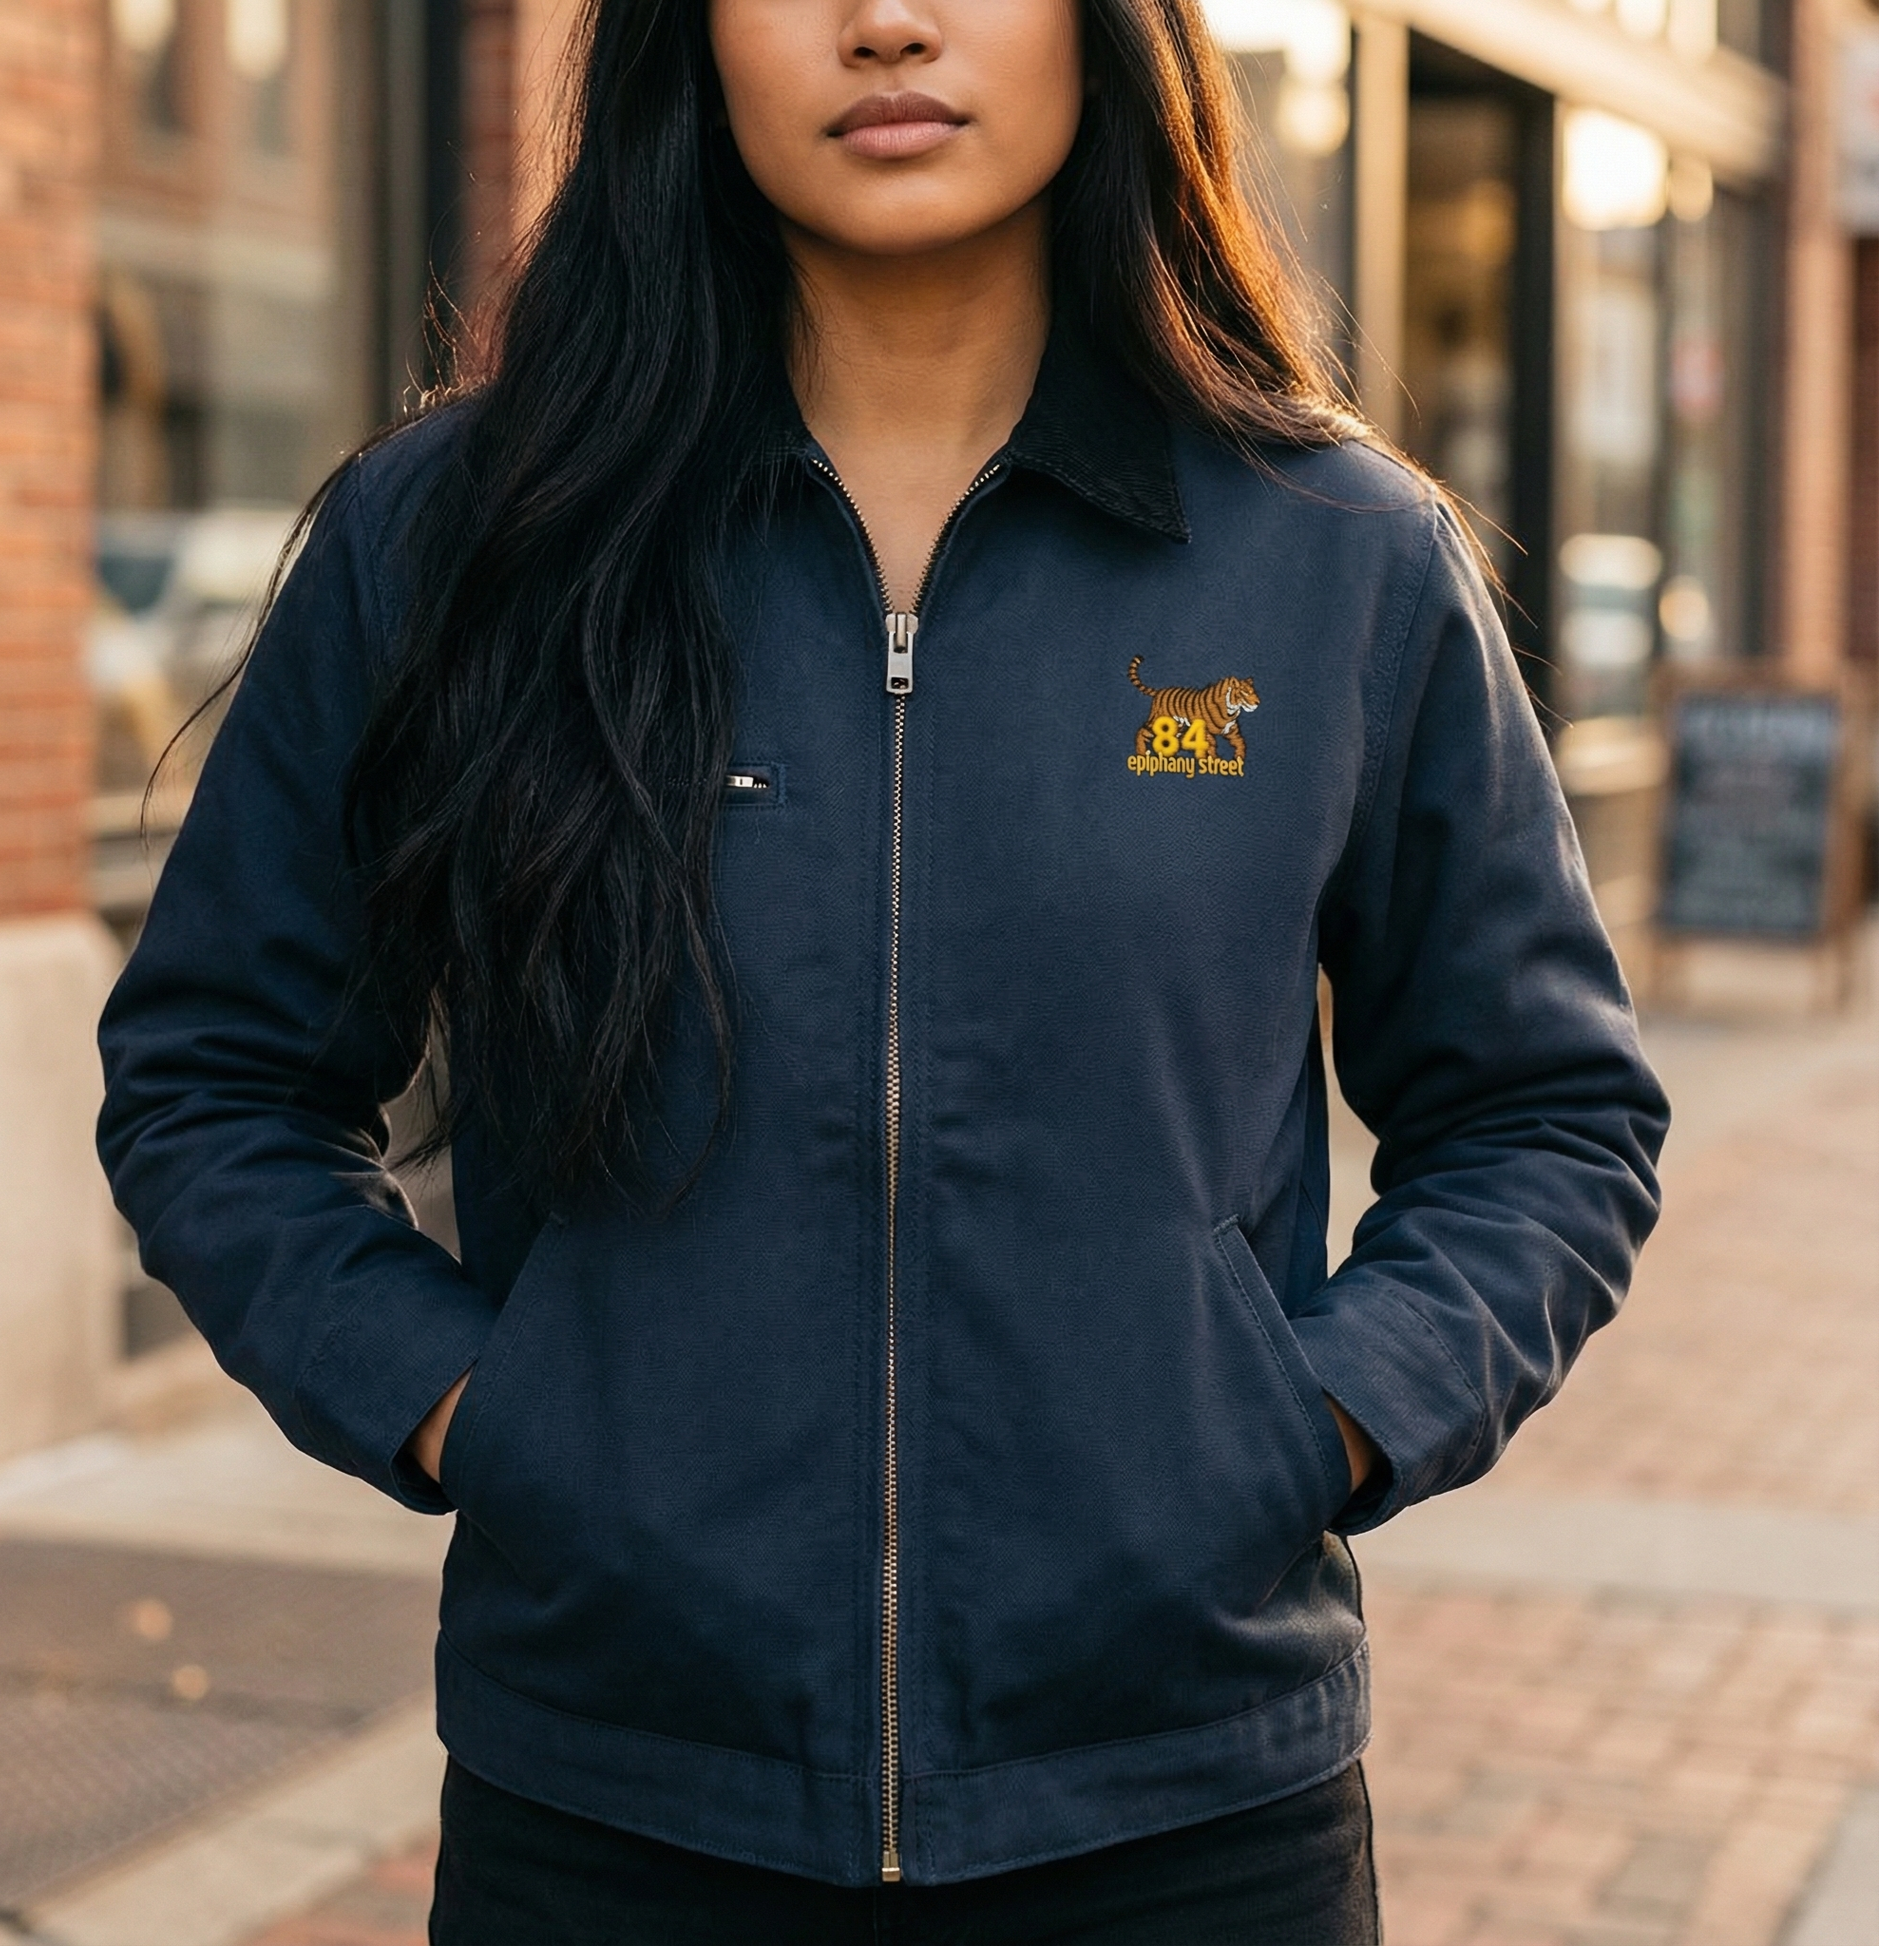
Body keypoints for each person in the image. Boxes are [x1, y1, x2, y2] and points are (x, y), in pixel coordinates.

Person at [96, 0, 1669, 1938]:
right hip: (613, 1813)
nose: (889, 22)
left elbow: (1544, 1109)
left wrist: (1312, 1419)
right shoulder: (468, 539)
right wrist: (478, 1412)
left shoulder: (1331, 556)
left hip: (1184, 1821)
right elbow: (212, 1077)